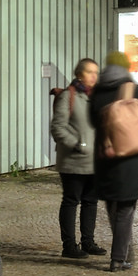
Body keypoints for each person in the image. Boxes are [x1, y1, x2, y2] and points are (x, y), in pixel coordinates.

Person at [89, 50, 138, 272]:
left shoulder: (97, 91)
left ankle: (126, 253)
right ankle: (118, 258)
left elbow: (92, 121)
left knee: (113, 207)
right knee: (126, 209)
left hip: (106, 157)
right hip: (131, 159)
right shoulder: (134, 89)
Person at [48, 57, 105, 259]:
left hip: (94, 161)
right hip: (73, 161)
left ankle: (88, 242)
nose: (94, 76)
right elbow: (57, 128)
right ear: (79, 74)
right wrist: (78, 144)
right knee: (71, 201)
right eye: (90, 72)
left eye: (96, 72)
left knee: (91, 201)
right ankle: (69, 246)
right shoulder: (68, 96)